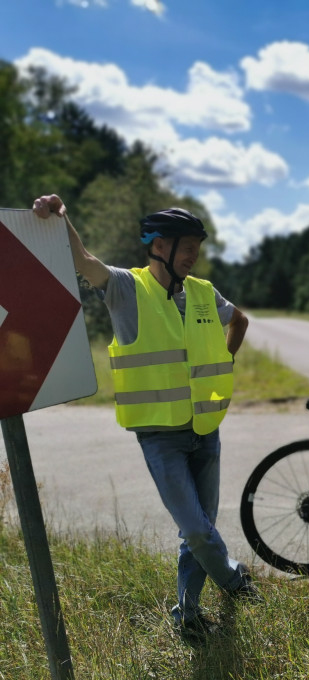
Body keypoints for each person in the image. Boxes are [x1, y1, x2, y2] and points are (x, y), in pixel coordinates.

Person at [32, 194, 257, 644]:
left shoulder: (202, 292)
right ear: (157, 246)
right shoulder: (125, 288)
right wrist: (61, 217)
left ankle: (188, 616)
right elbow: (84, 261)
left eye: (196, 245)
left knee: (197, 532)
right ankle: (235, 581)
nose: (193, 254)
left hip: (205, 430)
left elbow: (240, 322)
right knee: (196, 529)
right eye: (185, 245)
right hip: (160, 437)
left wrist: (223, 360)